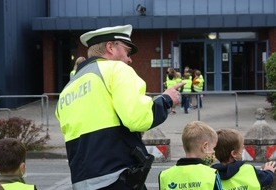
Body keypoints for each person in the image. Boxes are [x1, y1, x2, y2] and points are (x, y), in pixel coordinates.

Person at [55, 24, 185, 190]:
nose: (129, 59)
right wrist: (167, 99)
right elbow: (138, 119)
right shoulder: (116, 69)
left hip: (82, 182)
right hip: (117, 178)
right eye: (127, 51)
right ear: (110, 47)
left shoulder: (69, 87)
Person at [158, 121, 222, 190]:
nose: (213, 152)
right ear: (205, 147)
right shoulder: (212, 174)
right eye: (213, 148)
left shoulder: (164, 176)